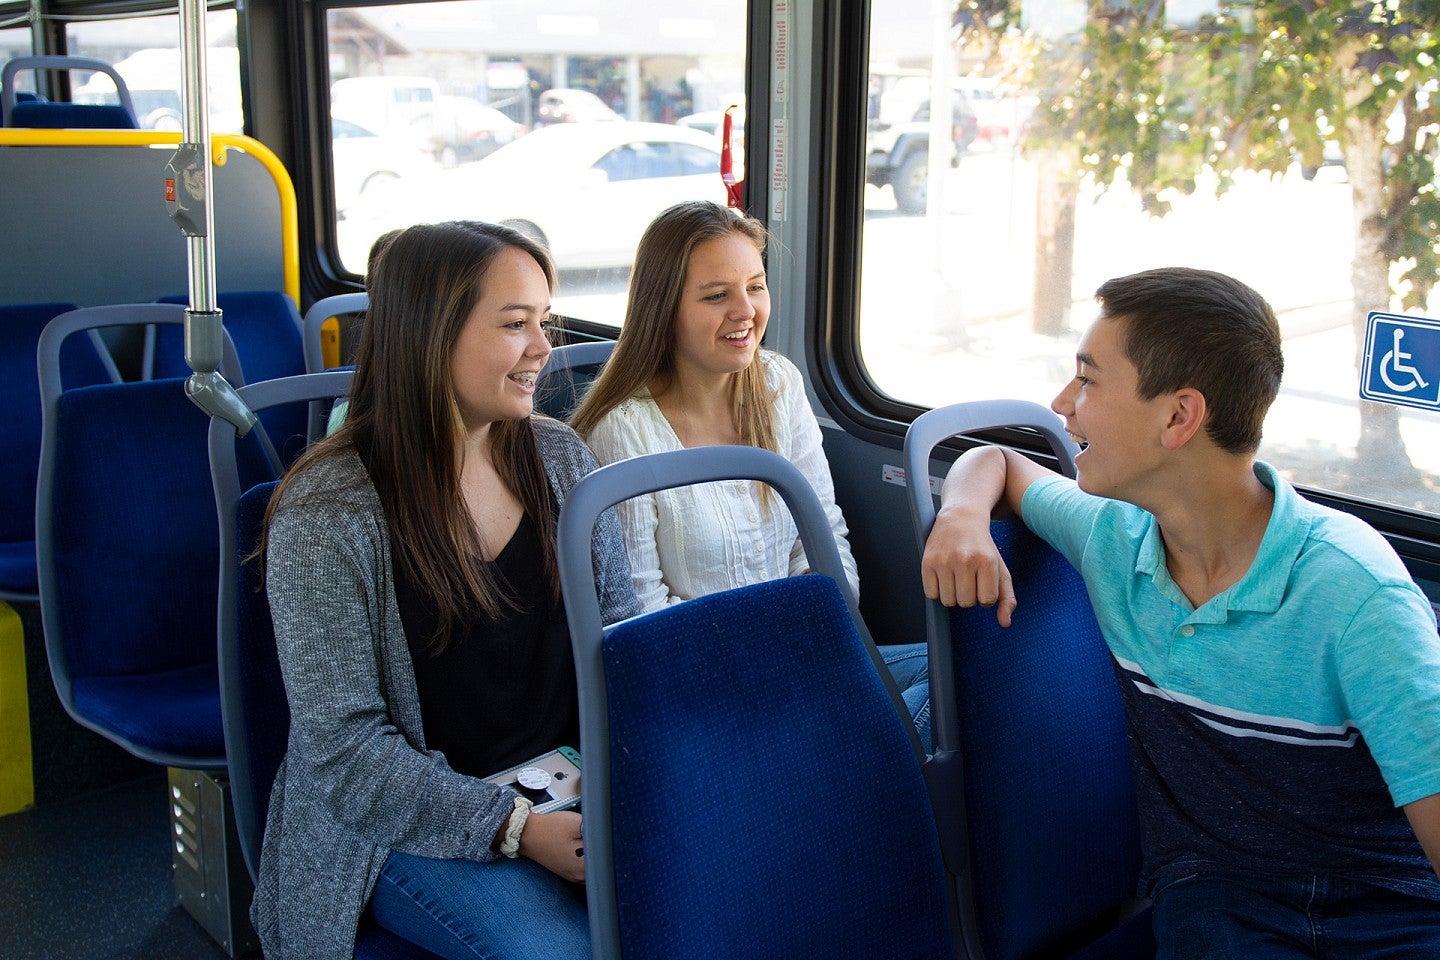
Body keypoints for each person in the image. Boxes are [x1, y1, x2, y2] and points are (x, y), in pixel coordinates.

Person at [921, 267, 1440, 958]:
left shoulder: (1352, 591)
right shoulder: (1114, 539)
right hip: (1221, 899)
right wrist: (960, 515)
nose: (1062, 404)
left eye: (1088, 380)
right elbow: (999, 462)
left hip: (1389, 909)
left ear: (1178, 416)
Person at [251, 220, 640, 960]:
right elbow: (345, 751)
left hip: (568, 780)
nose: (543, 349)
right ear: (433, 335)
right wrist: (515, 828)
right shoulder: (328, 512)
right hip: (398, 825)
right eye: (515, 324)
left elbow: (620, 640)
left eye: (543, 321)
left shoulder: (560, 459)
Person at [570, 199, 930, 750]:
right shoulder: (623, 431)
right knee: (881, 742)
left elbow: (824, 539)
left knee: (958, 678)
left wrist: (810, 644)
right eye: (717, 295)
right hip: (706, 695)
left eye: (755, 286)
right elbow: (640, 612)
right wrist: (769, 661)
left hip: (804, 656)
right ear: (664, 308)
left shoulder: (778, 384)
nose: (745, 311)